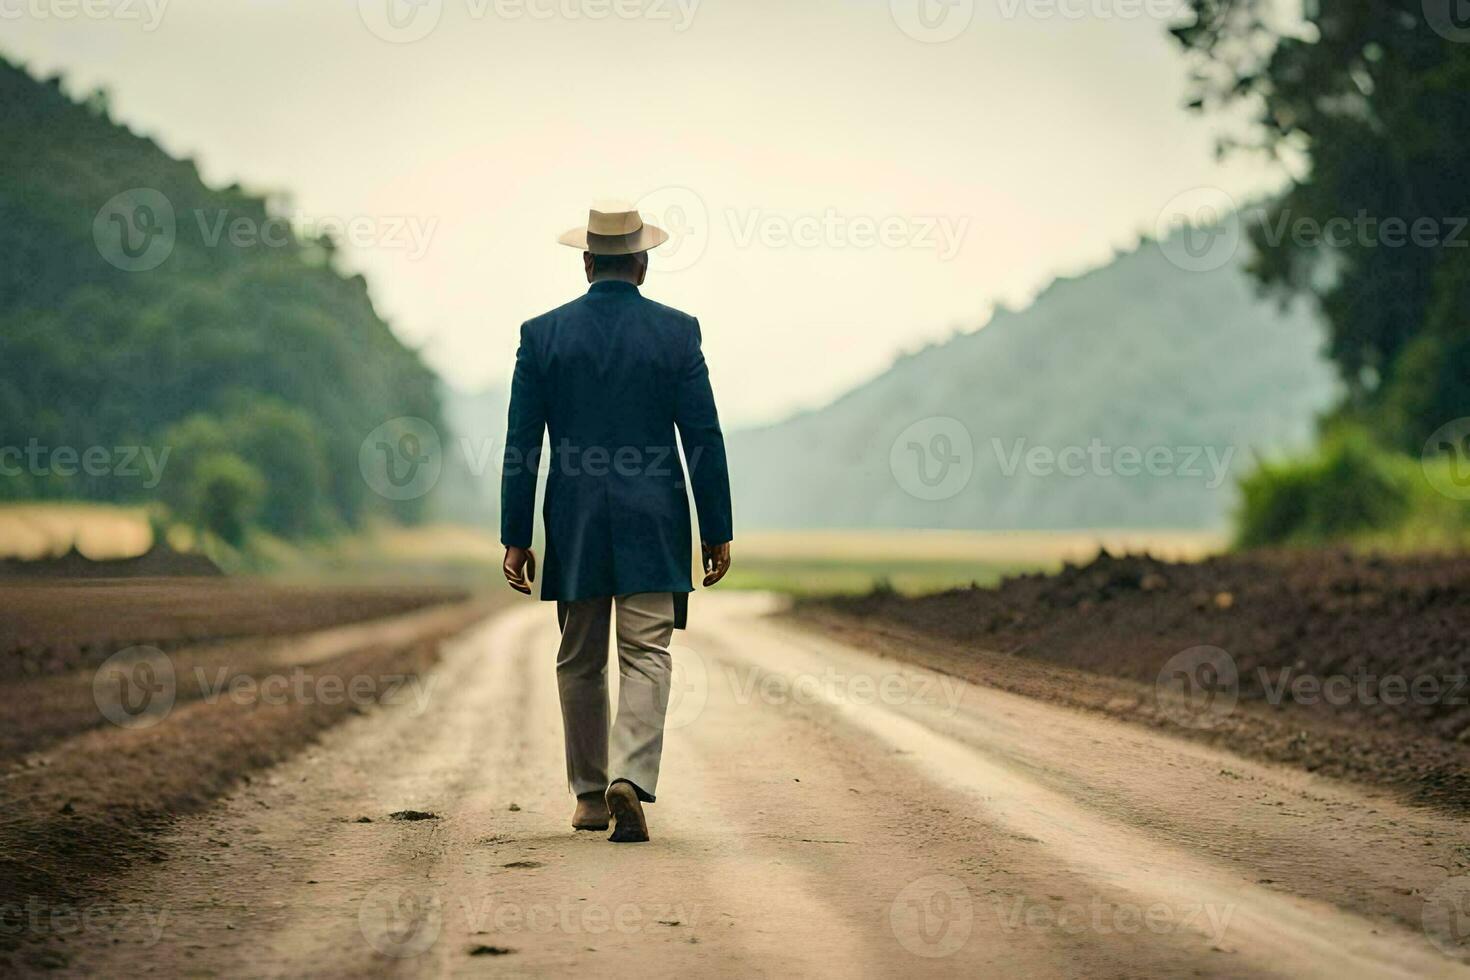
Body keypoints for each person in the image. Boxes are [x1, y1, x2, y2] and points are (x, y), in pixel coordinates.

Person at [499, 202, 733, 843]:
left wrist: (516, 534)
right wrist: (716, 527)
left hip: (573, 518)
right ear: (643, 264)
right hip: (654, 518)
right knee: (646, 654)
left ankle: (589, 797)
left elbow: (523, 444)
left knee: (578, 658)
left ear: (585, 263)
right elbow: (703, 439)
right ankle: (630, 773)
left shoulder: (540, 335)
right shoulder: (678, 333)